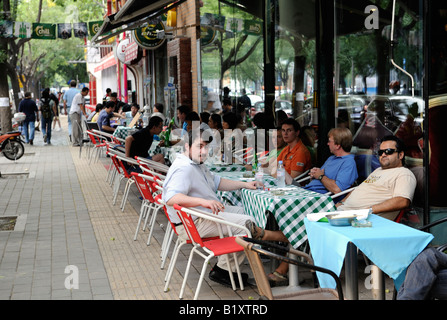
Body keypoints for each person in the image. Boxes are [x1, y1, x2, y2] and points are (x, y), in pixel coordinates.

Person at [162, 129, 284, 286]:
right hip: (194, 224)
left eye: (206, 147)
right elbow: (171, 198)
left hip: (201, 217)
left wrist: (244, 184)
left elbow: (217, 182)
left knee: (246, 212)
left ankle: (226, 267)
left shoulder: (195, 163)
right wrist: (202, 202)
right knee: (245, 224)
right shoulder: (184, 168)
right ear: (187, 146)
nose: (204, 151)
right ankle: (225, 270)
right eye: (199, 146)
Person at [269, 127, 358, 284]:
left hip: (322, 202)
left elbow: (337, 189)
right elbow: (321, 177)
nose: (327, 144)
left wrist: (321, 175)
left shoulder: (349, 163)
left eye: (330, 141)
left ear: (338, 145)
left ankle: (270, 242)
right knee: (275, 199)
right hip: (307, 193)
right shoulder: (332, 159)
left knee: (297, 223)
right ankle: (269, 239)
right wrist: (316, 174)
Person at [336, 135, 417, 221]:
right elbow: (359, 189)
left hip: (358, 220)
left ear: (400, 155)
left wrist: (368, 210)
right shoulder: (378, 170)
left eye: (388, 151)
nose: (383, 155)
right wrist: (341, 202)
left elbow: (402, 201)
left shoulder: (404, 173)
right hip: (342, 212)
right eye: (380, 152)